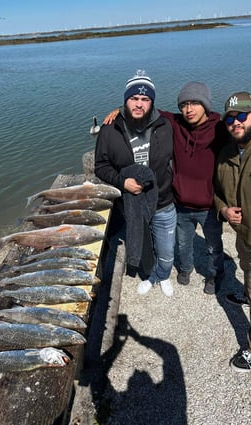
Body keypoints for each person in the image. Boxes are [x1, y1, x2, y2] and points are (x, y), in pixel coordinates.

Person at [104, 82, 226, 295]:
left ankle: (215, 274)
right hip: (180, 204)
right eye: (184, 104)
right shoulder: (174, 123)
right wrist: (119, 110)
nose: (189, 109)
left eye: (195, 103)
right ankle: (186, 269)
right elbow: (142, 106)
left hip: (210, 205)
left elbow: (243, 128)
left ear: (206, 105)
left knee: (213, 246)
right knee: (183, 244)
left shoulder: (220, 129)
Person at [94, 70, 176, 297]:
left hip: (163, 201)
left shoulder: (167, 125)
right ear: (125, 100)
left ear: (152, 102)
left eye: (145, 99)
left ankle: (164, 274)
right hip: (132, 204)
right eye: (134, 98)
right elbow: (100, 166)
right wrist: (122, 182)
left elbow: (197, 119)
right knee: (143, 246)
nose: (139, 104)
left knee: (167, 249)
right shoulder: (110, 129)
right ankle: (151, 276)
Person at [214, 91, 251, 372]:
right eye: (230, 118)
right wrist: (223, 210)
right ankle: (247, 293)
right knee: (245, 268)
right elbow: (217, 192)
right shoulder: (226, 153)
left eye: (242, 116)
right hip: (241, 233)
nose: (236, 122)